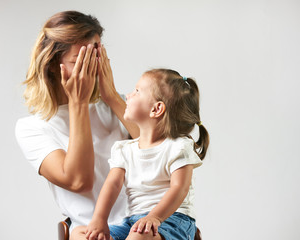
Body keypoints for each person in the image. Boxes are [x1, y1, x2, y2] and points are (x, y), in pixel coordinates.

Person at [15, 10, 139, 237]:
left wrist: (111, 95)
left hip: (142, 225)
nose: (91, 69)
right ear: (53, 64)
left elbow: (161, 148)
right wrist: (78, 103)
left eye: (96, 58)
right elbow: (79, 181)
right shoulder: (32, 128)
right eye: (79, 61)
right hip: (90, 231)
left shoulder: (118, 105)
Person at [83, 68, 210, 240]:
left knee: (138, 235)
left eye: (137, 91)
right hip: (133, 222)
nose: (128, 95)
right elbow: (112, 184)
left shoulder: (178, 147)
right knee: (81, 234)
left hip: (173, 220)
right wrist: (99, 219)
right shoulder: (125, 149)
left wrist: (155, 217)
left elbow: (180, 187)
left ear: (156, 109)